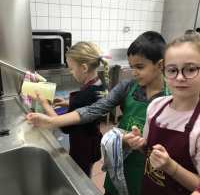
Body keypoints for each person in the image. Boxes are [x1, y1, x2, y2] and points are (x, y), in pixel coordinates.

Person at [26, 31, 168, 195]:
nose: (134, 72)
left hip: (151, 165)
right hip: (120, 159)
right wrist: (53, 122)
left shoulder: (173, 96)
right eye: (132, 66)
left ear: (160, 65)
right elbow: (94, 109)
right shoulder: (128, 87)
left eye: (140, 67)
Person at [126, 33, 200, 194]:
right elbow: (148, 151)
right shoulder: (156, 106)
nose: (180, 77)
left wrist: (170, 167)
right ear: (163, 70)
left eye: (191, 69)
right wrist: (138, 144)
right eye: (172, 70)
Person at [29, 41, 109, 177]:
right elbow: (90, 105)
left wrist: (44, 103)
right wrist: (66, 103)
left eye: (71, 68)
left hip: (82, 146)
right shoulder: (99, 84)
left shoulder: (84, 95)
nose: (71, 72)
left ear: (84, 68)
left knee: (80, 175)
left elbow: (61, 125)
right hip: (93, 140)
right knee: (87, 170)